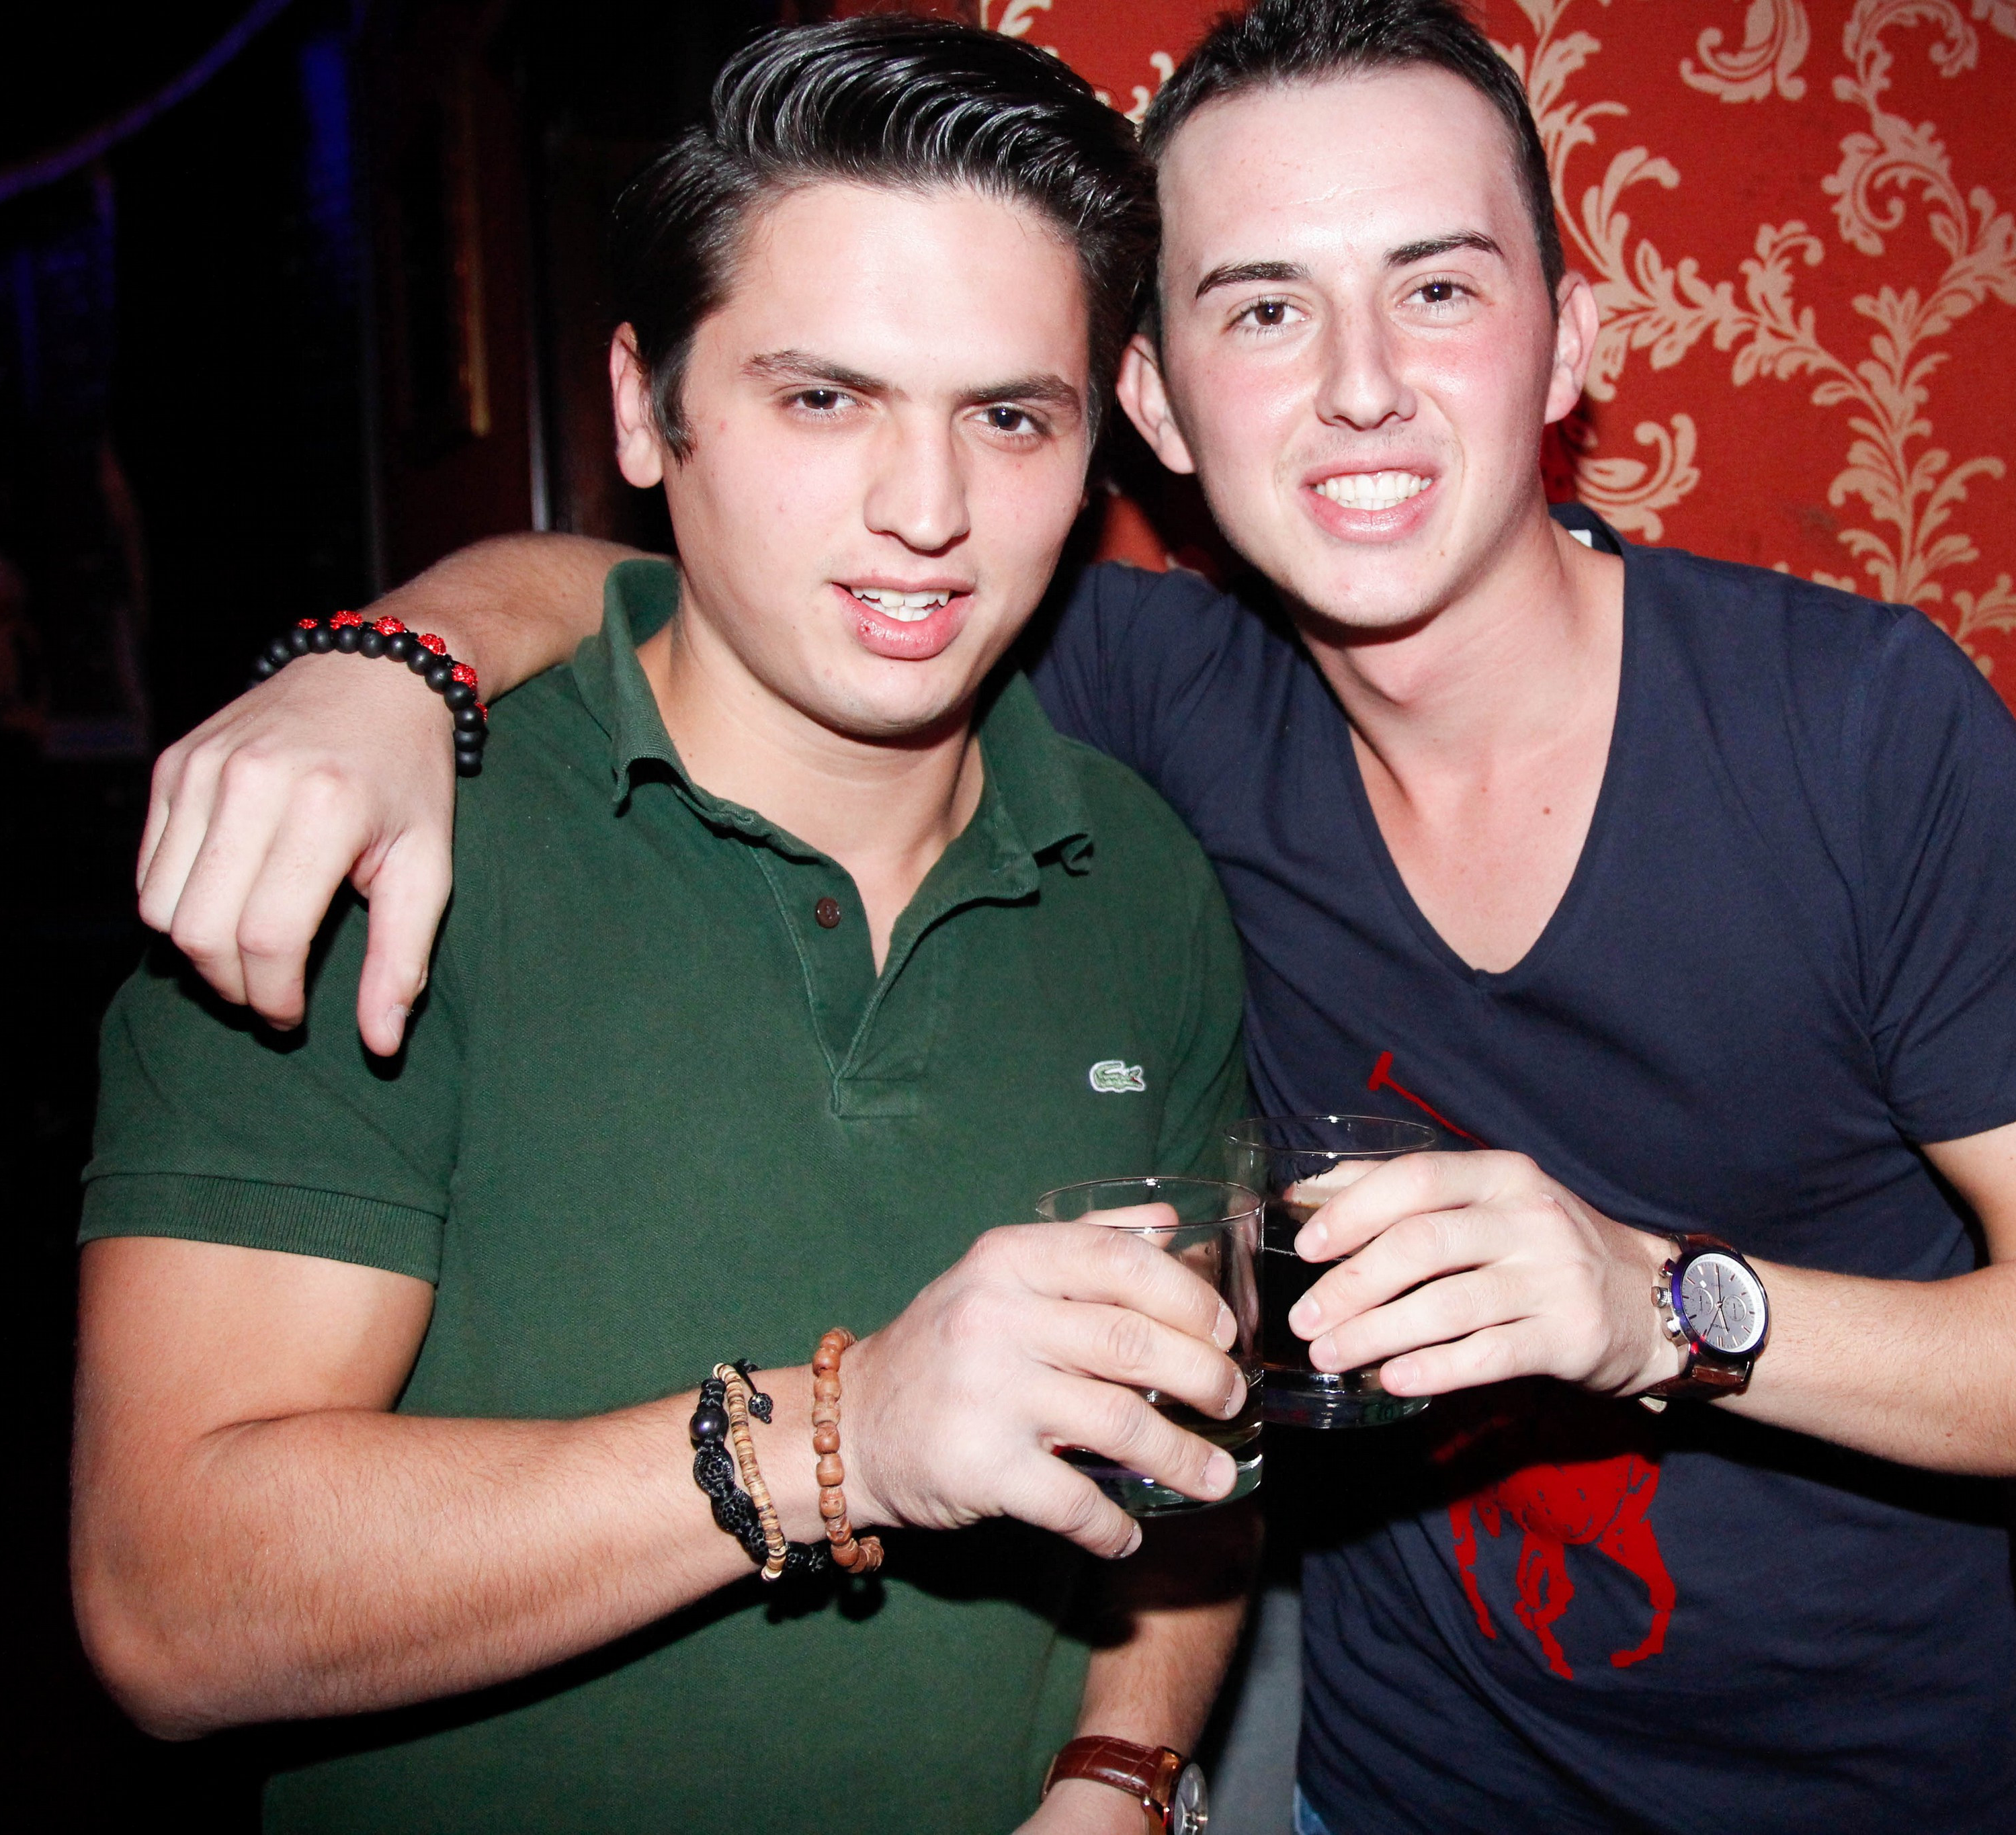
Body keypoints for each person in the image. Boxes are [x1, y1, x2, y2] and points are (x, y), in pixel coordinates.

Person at [129, 1, 2016, 1828]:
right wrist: (382, 668)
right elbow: (708, 590)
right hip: (1383, 1790)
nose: (1360, 385)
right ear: (1157, 408)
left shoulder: (1853, 732)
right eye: (1263, 306)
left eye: (1437, 286)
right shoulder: (1148, 713)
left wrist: (1660, 1303)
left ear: (1573, 339)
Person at [74, 21, 1259, 1835]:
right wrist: (836, 1441)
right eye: (824, 400)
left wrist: (1122, 1770)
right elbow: (170, 1603)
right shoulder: (375, 846)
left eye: (1009, 417)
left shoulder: (1144, 876)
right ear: (644, 408)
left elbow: (1195, 1449)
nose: (926, 511)